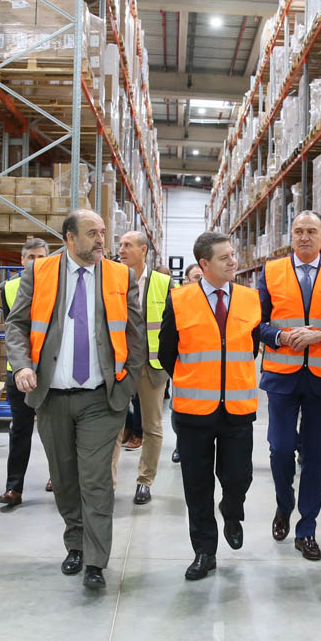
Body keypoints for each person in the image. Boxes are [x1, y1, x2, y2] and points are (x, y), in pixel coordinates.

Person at [5, 210, 146, 590]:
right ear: (69, 238)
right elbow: (15, 325)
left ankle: (96, 560)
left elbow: (136, 334)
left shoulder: (121, 276)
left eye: (103, 233)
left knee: (96, 479)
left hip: (102, 398)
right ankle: (76, 544)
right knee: (65, 479)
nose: (101, 240)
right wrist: (20, 367)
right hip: (51, 395)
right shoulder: (40, 272)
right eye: (91, 233)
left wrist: (127, 383)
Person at [159, 231, 261, 581]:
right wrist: (195, 380)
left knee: (238, 477)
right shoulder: (179, 299)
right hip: (193, 413)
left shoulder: (250, 299)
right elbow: (166, 352)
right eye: (224, 257)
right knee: (197, 485)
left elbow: (252, 349)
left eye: (233, 255)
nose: (233, 261)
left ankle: (232, 511)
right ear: (204, 264)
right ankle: (204, 550)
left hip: (237, 409)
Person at [258, 211, 321, 561]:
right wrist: (280, 335)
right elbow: (258, 323)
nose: (305, 237)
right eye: (298, 231)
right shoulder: (271, 271)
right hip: (282, 375)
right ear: (291, 236)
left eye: (311, 231)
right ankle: (284, 505)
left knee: (314, 457)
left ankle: (307, 528)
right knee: (280, 449)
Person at [111, 230, 171, 504]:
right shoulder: (110, 277)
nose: (121, 250)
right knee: (112, 427)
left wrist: (169, 362)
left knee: (152, 426)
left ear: (143, 250)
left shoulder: (163, 282)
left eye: (127, 245)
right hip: (118, 365)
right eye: (120, 245)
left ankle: (145, 481)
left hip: (152, 366)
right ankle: (107, 484)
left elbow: (173, 326)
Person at [0, 237, 49, 508]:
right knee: (20, 430)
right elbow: (11, 330)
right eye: (32, 257)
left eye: (42, 257)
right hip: (19, 372)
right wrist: (20, 365)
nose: (37, 263)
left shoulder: (56, 285)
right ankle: (13, 487)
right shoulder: (9, 288)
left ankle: (57, 478)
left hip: (51, 371)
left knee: (56, 431)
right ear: (22, 260)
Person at [171, 262, 205, 466]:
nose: (202, 281)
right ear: (187, 281)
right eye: (196, 278)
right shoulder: (179, 303)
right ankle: (180, 444)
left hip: (210, 371)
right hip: (185, 370)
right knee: (178, 410)